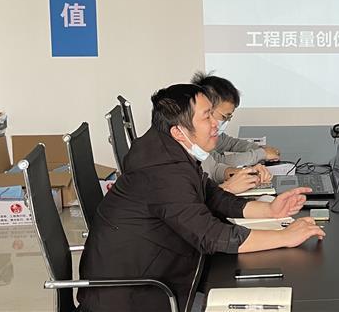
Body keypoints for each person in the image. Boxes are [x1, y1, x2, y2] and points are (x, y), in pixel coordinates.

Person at [78, 84, 325, 312]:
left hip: (159, 276)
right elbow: (210, 236)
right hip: (134, 297)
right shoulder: (163, 171)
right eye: (207, 117)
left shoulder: (168, 150)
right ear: (178, 131)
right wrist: (285, 237)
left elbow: (210, 194)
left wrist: (269, 211)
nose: (216, 124)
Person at [191, 71, 280, 194]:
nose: (220, 123)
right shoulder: (186, 141)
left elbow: (214, 167)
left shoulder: (209, 135)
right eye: (224, 117)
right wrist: (260, 154)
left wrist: (242, 172)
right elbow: (218, 160)